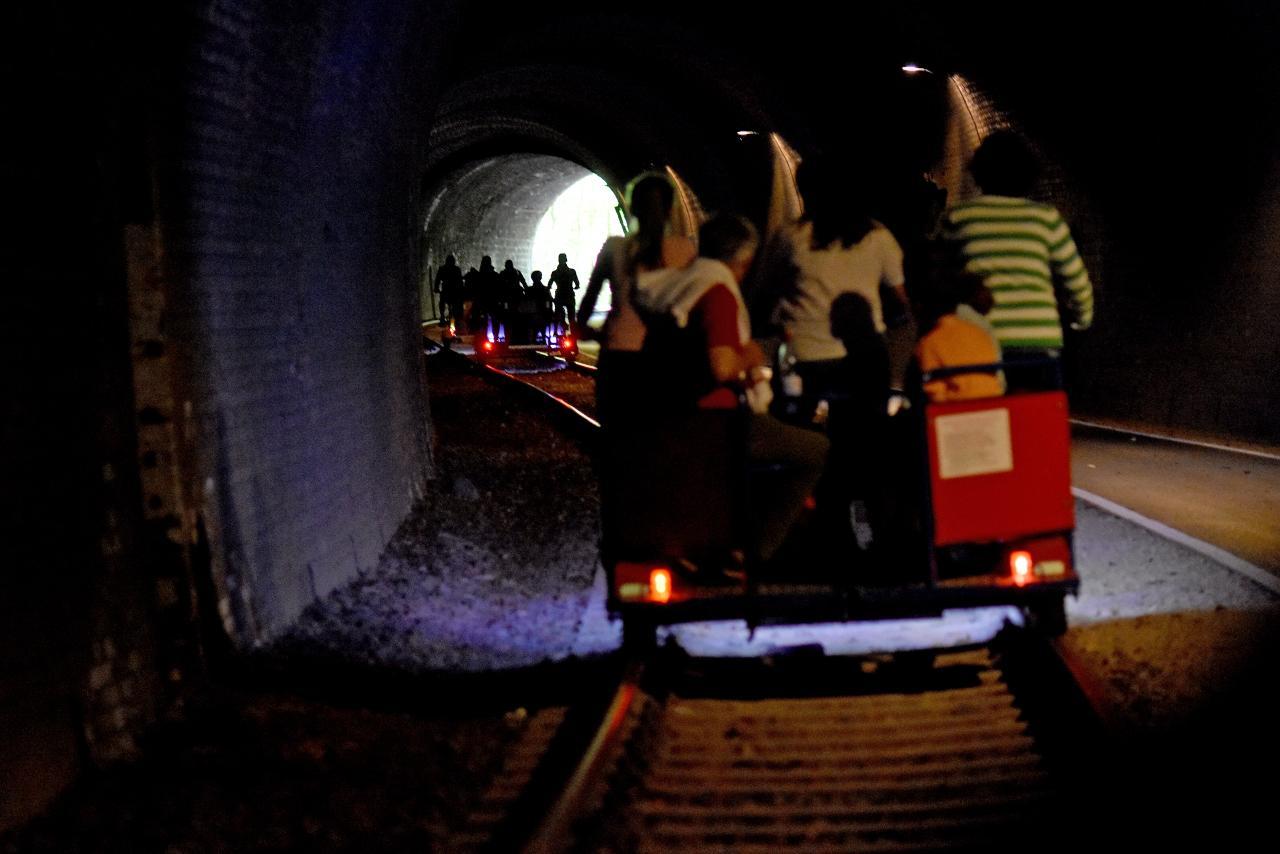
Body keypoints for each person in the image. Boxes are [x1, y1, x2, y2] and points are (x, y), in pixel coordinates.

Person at [634, 213, 829, 566]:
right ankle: (755, 553)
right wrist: (756, 352)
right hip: (717, 421)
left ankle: (733, 533)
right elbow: (722, 366)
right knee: (816, 449)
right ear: (744, 260)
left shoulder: (682, 284)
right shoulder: (719, 293)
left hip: (672, 414)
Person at [941, 130, 1093, 386]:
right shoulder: (1046, 219)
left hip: (977, 341)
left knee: (981, 419)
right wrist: (1081, 320)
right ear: (1029, 175)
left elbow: (939, 277)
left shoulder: (958, 217)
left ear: (979, 172)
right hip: (1038, 345)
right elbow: (1076, 282)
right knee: (1039, 419)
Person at [775, 157, 911, 400]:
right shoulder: (877, 236)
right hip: (863, 357)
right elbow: (900, 298)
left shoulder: (790, 236)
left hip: (803, 354)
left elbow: (774, 289)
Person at [577, 172, 696, 425]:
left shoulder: (614, 247)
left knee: (617, 430)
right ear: (670, 208)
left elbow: (586, 308)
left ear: (631, 207)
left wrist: (595, 333)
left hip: (619, 353)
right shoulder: (687, 250)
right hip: (666, 358)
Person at [915, 274, 1006, 402]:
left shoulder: (929, 343)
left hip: (957, 410)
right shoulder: (980, 333)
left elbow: (935, 392)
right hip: (993, 403)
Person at [548, 253, 580, 335]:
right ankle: (573, 332)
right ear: (566, 260)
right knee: (571, 316)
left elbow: (549, 284)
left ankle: (555, 331)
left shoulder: (555, 273)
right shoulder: (572, 272)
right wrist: (576, 286)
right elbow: (577, 283)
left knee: (557, 314)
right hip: (569, 294)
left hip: (559, 295)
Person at [434, 254, 464, 328]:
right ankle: (448, 317)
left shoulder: (443, 269)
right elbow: (460, 281)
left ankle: (442, 317)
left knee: (442, 302)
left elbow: (437, 280)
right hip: (453, 292)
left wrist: (436, 288)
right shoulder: (456, 269)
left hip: (447, 291)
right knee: (453, 304)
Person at [527, 270, 553, 342]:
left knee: (534, 333)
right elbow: (548, 302)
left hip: (535, 314)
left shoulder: (529, 290)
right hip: (541, 314)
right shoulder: (545, 289)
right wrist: (549, 312)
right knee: (541, 331)